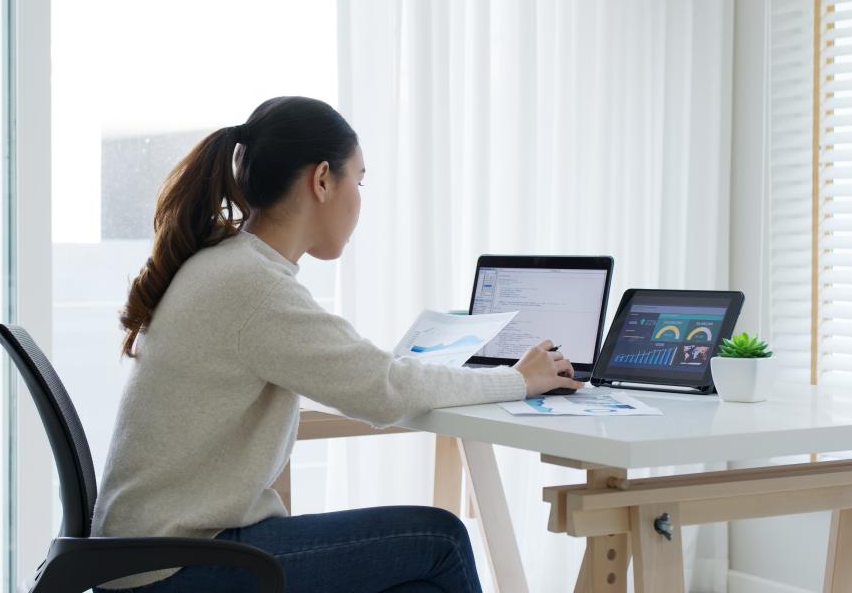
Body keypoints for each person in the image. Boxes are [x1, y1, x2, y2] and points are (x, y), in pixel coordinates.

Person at [92, 96, 582, 593]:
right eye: (360, 181)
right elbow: (384, 390)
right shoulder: (254, 285)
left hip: (148, 557)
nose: (360, 199)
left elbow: (372, 382)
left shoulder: (231, 266)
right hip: (174, 566)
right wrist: (518, 380)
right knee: (442, 540)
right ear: (323, 180)